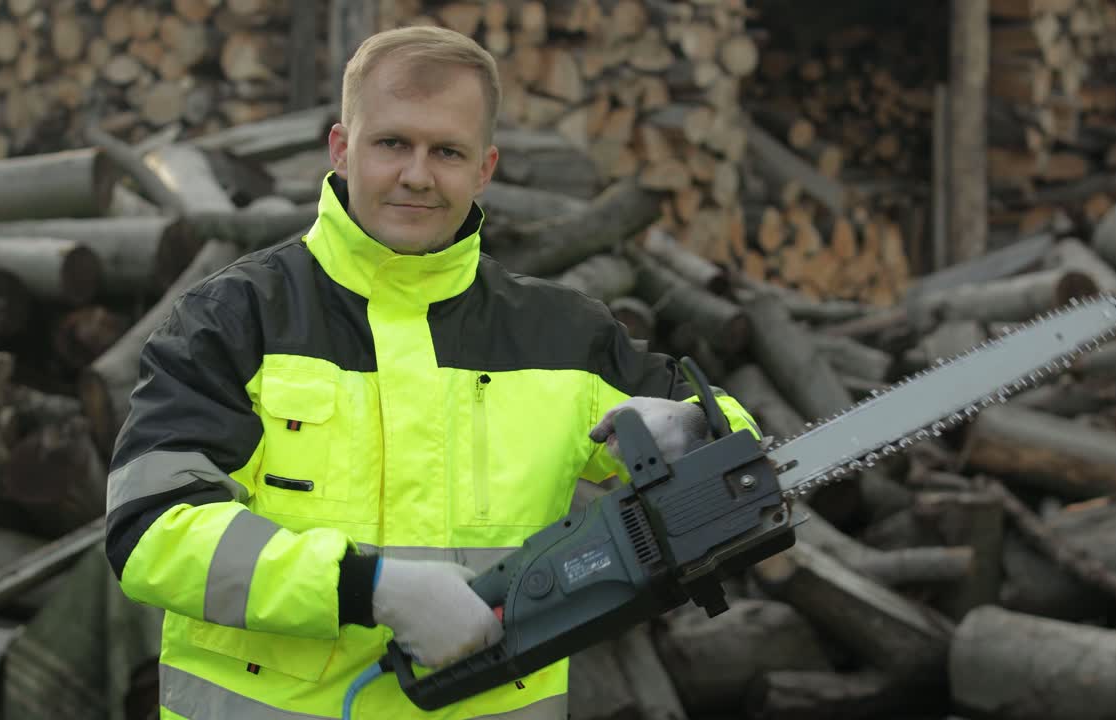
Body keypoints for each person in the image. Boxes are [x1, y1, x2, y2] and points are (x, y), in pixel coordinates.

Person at [104, 25, 759, 720]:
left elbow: (736, 449)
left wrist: (693, 430)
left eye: (447, 151)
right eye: (393, 143)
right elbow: (152, 531)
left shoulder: (564, 336)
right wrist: (366, 588)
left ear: (484, 169)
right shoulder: (235, 318)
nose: (417, 174)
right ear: (341, 149)